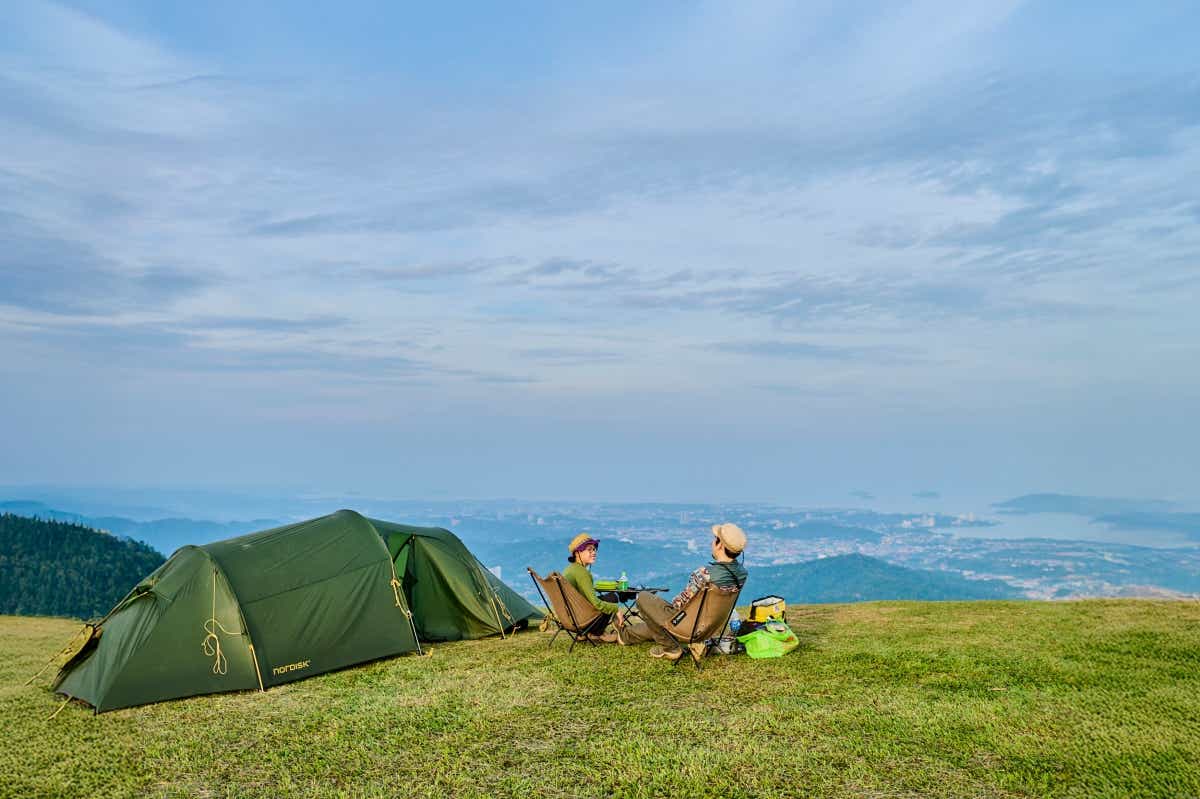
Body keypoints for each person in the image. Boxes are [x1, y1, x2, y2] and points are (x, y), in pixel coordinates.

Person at [619, 522, 748, 661]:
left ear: (720, 545)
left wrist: (665, 606)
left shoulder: (704, 574)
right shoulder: (741, 575)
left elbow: (678, 604)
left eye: (714, 539)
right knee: (656, 622)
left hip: (687, 629)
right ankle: (625, 635)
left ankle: (671, 648)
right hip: (710, 630)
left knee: (643, 597)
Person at [562, 532, 626, 643]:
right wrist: (617, 609)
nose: (594, 552)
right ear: (577, 553)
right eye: (589, 550)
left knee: (607, 598)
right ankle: (596, 633)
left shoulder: (570, 569)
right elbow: (596, 603)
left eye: (594, 549)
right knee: (612, 598)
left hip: (571, 617)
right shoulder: (581, 573)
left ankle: (588, 633)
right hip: (581, 619)